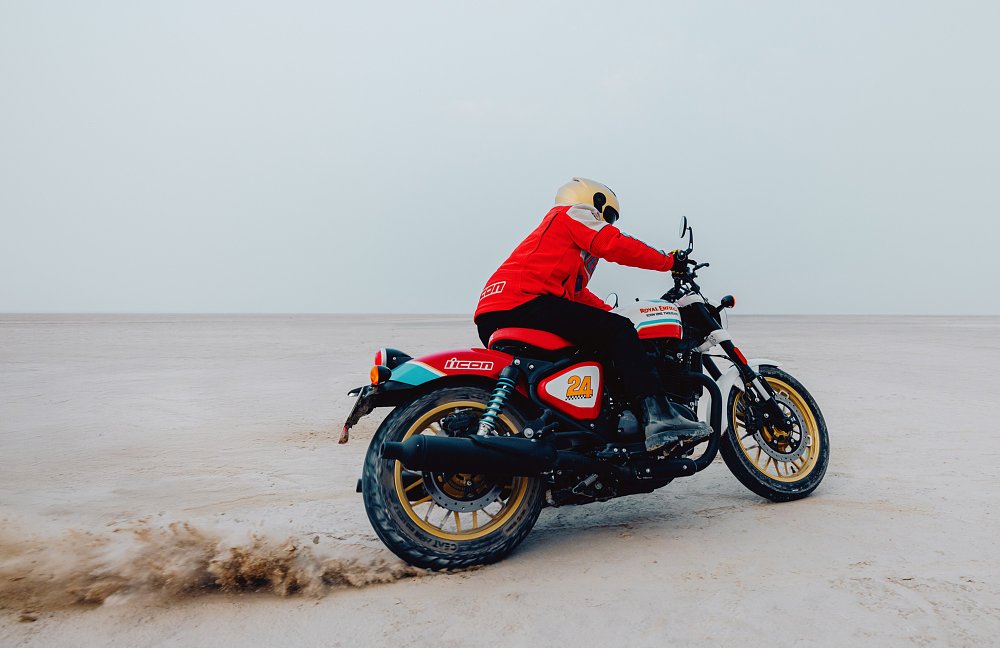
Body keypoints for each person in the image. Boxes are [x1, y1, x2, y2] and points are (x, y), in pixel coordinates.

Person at [474, 177, 711, 451]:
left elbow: (577, 295)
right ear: (595, 201)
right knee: (618, 330)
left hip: (494, 312)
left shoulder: (555, 244)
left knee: (600, 338)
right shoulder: (570, 214)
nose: (608, 222)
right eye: (608, 215)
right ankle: (659, 416)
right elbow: (615, 244)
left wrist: (612, 311)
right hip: (524, 302)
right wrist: (669, 261)